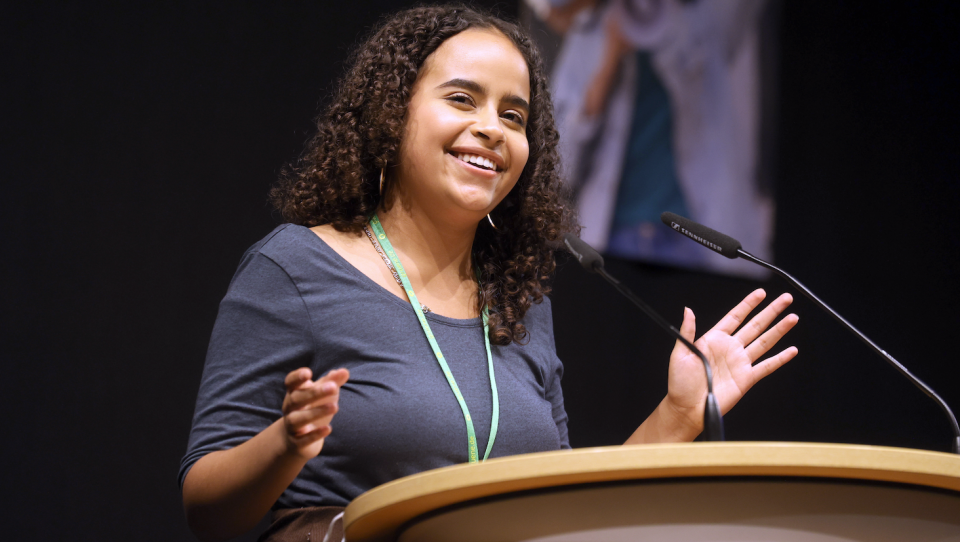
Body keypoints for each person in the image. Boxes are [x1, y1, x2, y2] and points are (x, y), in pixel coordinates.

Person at [179, 5, 798, 542]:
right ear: (392, 112)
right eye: (461, 99)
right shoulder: (295, 267)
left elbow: (560, 509)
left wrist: (679, 415)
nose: (491, 129)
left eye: (514, 115)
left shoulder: (517, 301)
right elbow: (206, 508)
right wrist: (285, 445)